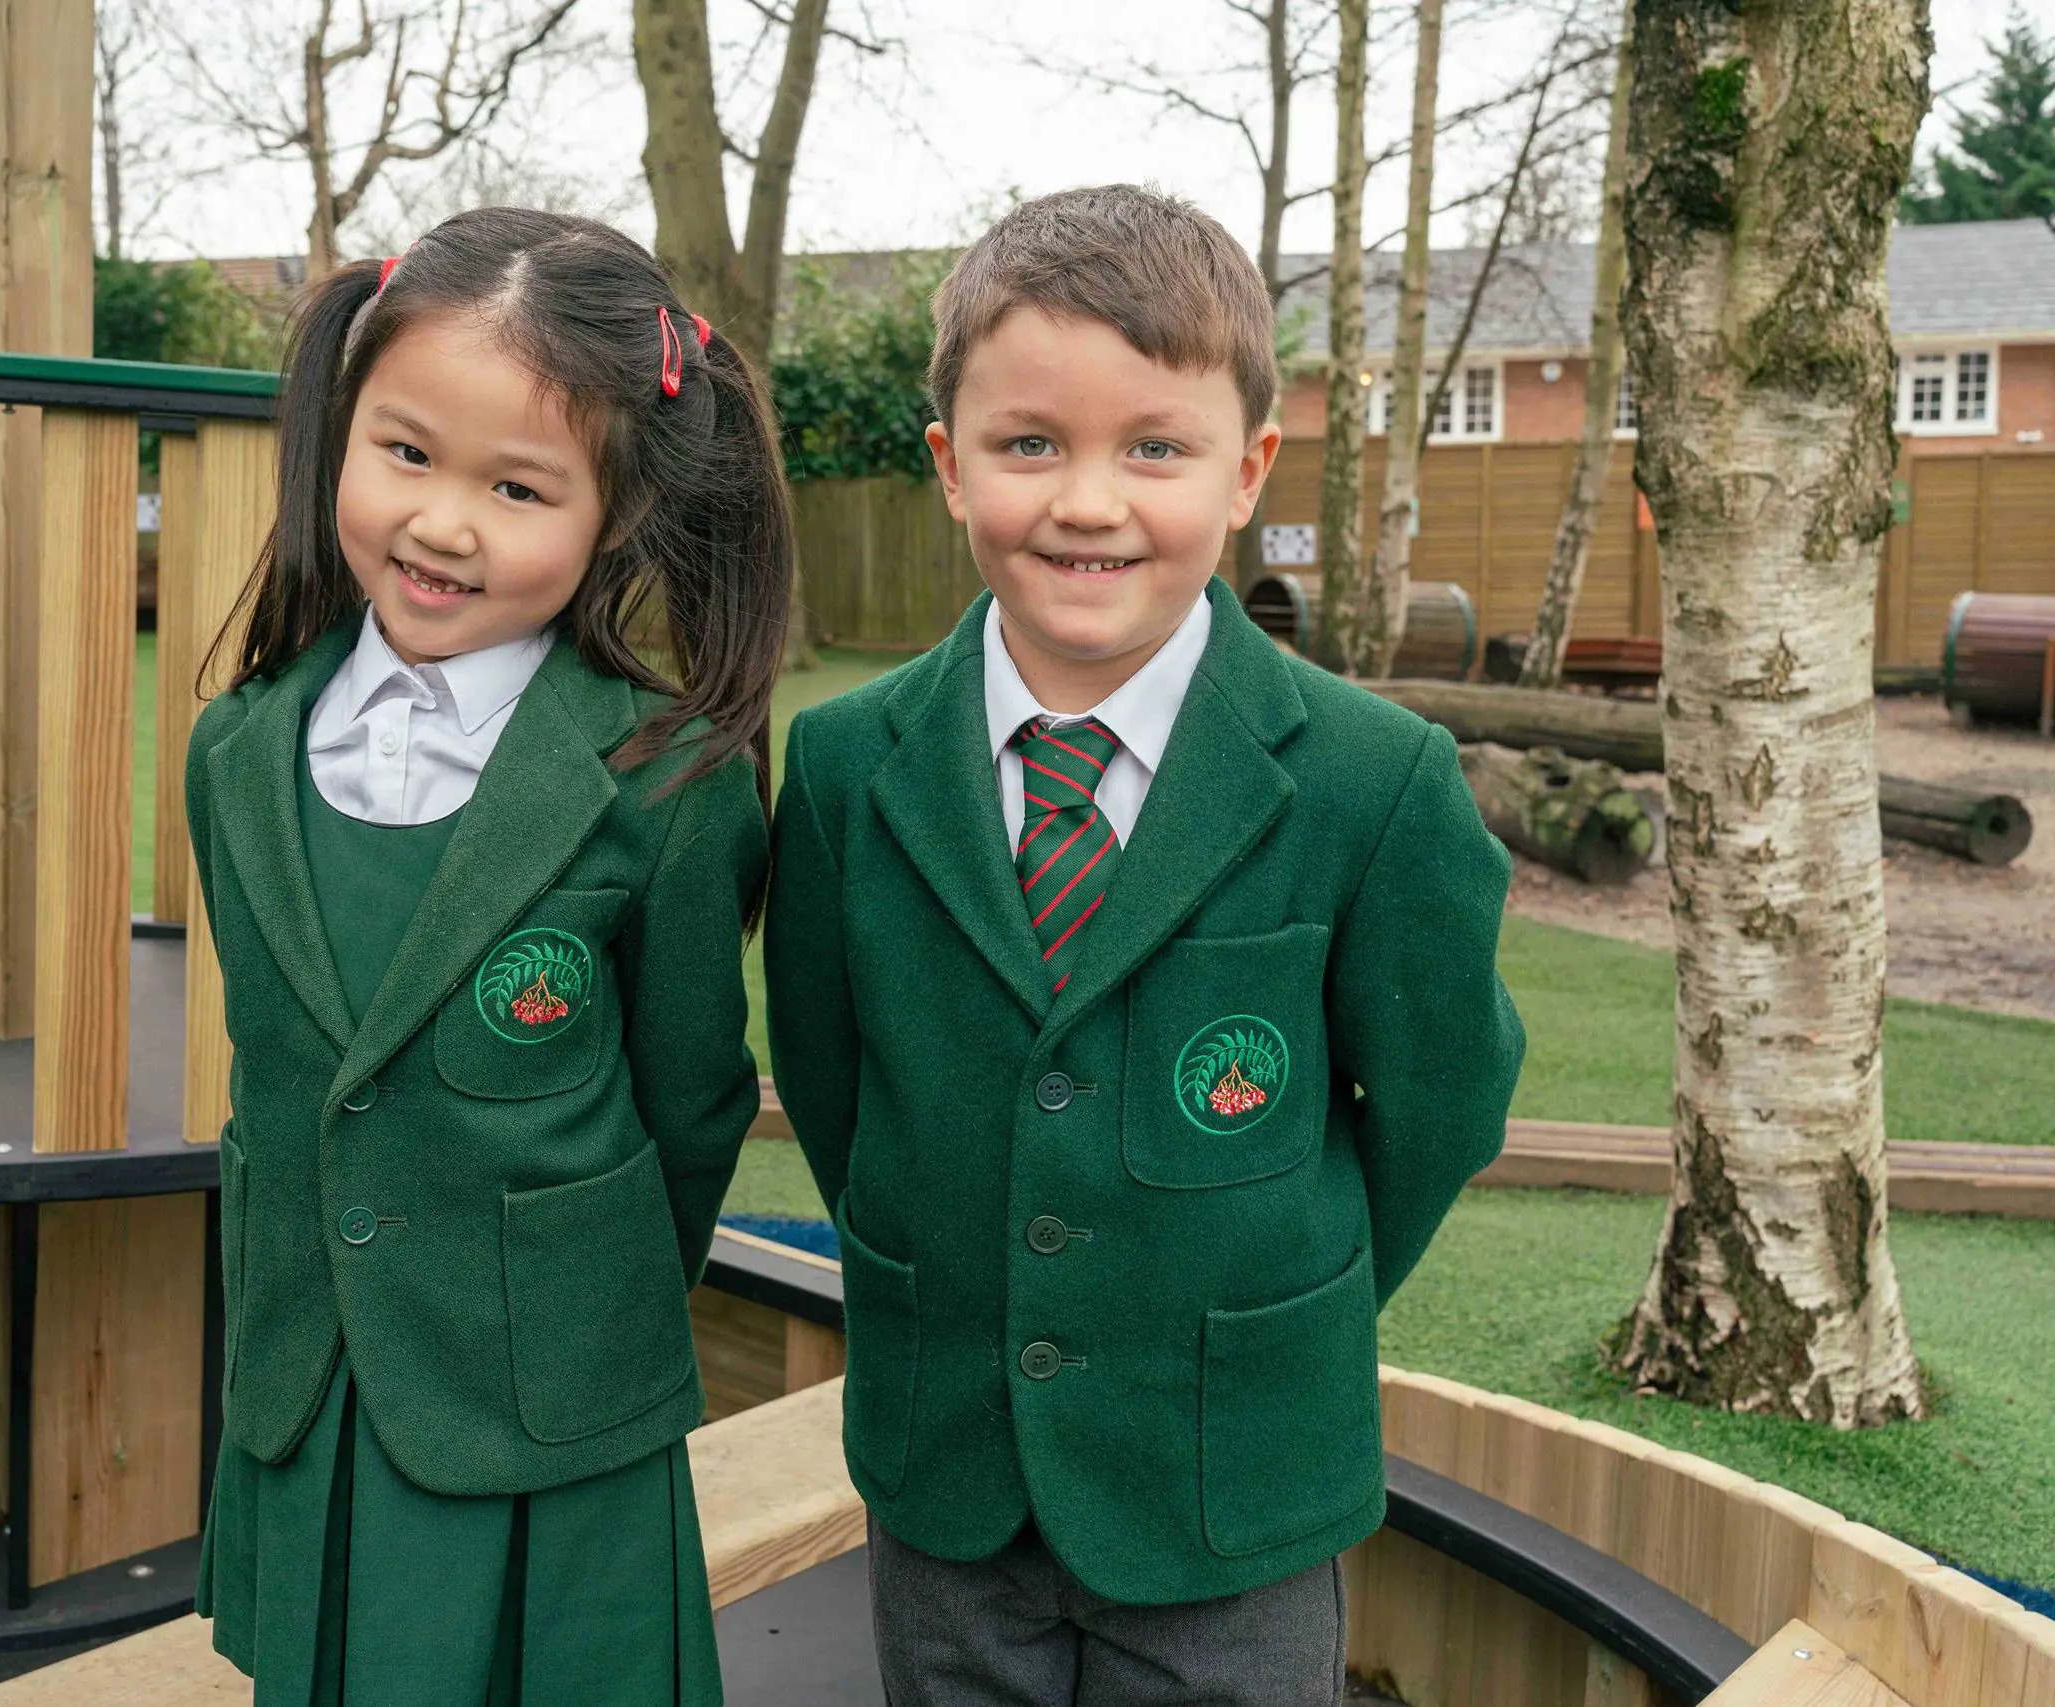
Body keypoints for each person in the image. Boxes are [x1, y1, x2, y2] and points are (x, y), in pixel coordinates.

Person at [765, 184, 1527, 1706]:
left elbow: (1440, 1109)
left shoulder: (1373, 782)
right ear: (949, 468)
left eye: (1155, 448)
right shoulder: (848, 767)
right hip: (949, 1476)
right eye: (1030, 443)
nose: (1089, 501)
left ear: (1246, 472)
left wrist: (1266, 1296)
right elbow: (838, 1085)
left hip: (1231, 1480)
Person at [186, 207, 789, 1706]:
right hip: (311, 1376)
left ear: (613, 518)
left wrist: (567, 1303)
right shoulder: (237, 750)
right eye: (405, 454)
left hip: (552, 1406)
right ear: (342, 432)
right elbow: (286, 1062)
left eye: (518, 486)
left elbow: (692, 1100)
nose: (443, 523)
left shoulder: (670, 782)